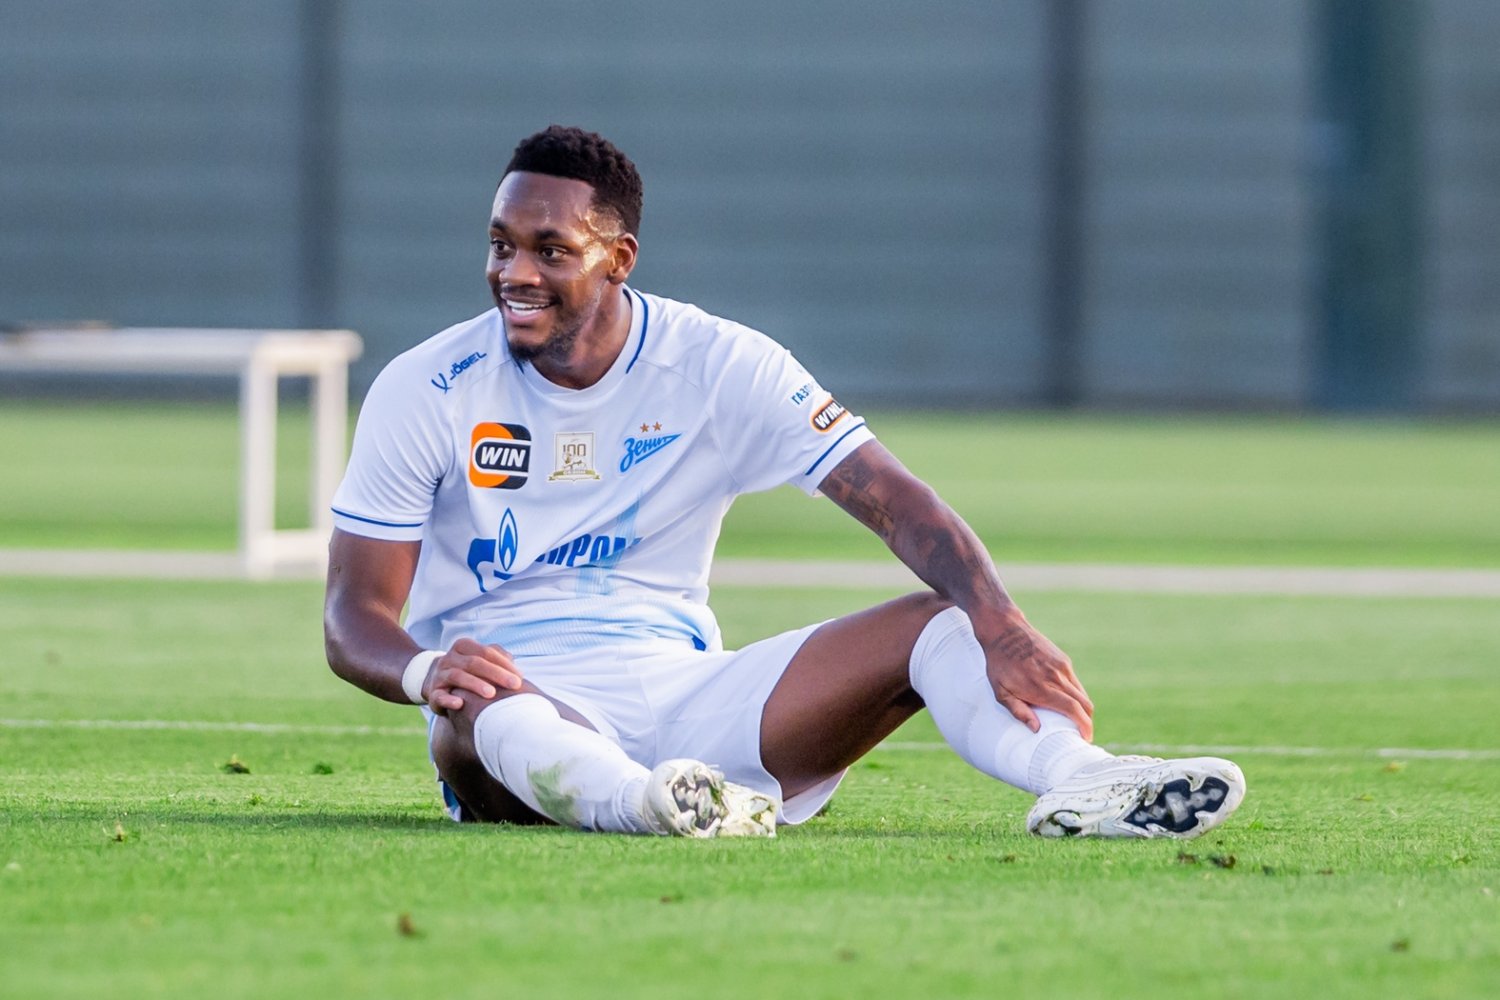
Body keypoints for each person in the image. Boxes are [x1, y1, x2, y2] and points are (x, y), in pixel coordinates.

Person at [323, 125, 1245, 839]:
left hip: (691, 697)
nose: (514, 273)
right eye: (500, 245)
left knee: (942, 619)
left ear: (619, 258)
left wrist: (1002, 625)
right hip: (517, 709)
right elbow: (352, 616)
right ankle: (646, 805)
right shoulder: (427, 386)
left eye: (550, 250)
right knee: (476, 710)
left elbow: (894, 499)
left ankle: (1084, 780)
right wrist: (427, 671)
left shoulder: (720, 363)